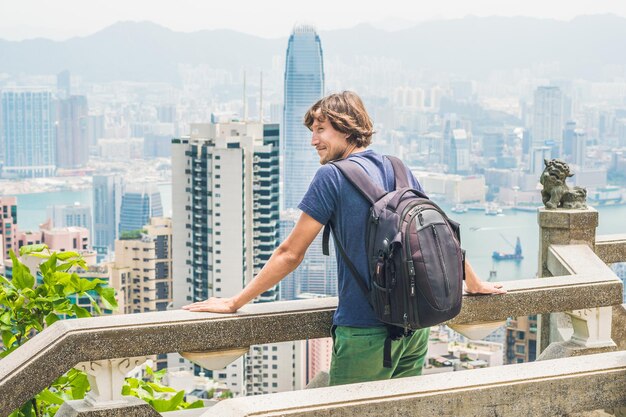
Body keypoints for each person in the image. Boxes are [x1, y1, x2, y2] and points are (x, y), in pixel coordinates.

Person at [183, 91, 506, 385]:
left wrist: (235, 302)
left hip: (365, 331)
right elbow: (438, 238)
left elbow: (290, 254)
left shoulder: (331, 176)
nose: (313, 140)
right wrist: (473, 284)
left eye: (320, 130)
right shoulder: (397, 167)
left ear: (346, 128)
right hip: (416, 326)